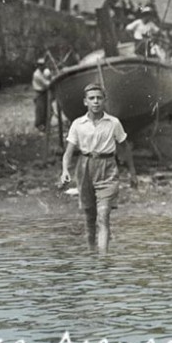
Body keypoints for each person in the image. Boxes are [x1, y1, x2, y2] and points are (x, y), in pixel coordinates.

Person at [59, 83, 136, 254]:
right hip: (84, 168)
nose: (96, 102)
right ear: (85, 102)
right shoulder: (78, 124)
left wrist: (132, 173)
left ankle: (103, 261)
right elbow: (68, 153)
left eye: (99, 98)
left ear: (104, 100)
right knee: (89, 217)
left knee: (103, 216)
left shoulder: (113, 122)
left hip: (108, 169)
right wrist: (65, 171)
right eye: (92, 98)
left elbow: (125, 148)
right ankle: (91, 254)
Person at [31, 59, 52, 130]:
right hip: (39, 93)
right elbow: (46, 83)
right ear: (38, 66)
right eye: (40, 65)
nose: (42, 66)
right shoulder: (37, 74)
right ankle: (39, 125)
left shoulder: (43, 72)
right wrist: (53, 81)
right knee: (40, 110)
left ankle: (45, 124)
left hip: (44, 92)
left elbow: (48, 77)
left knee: (47, 108)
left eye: (43, 65)